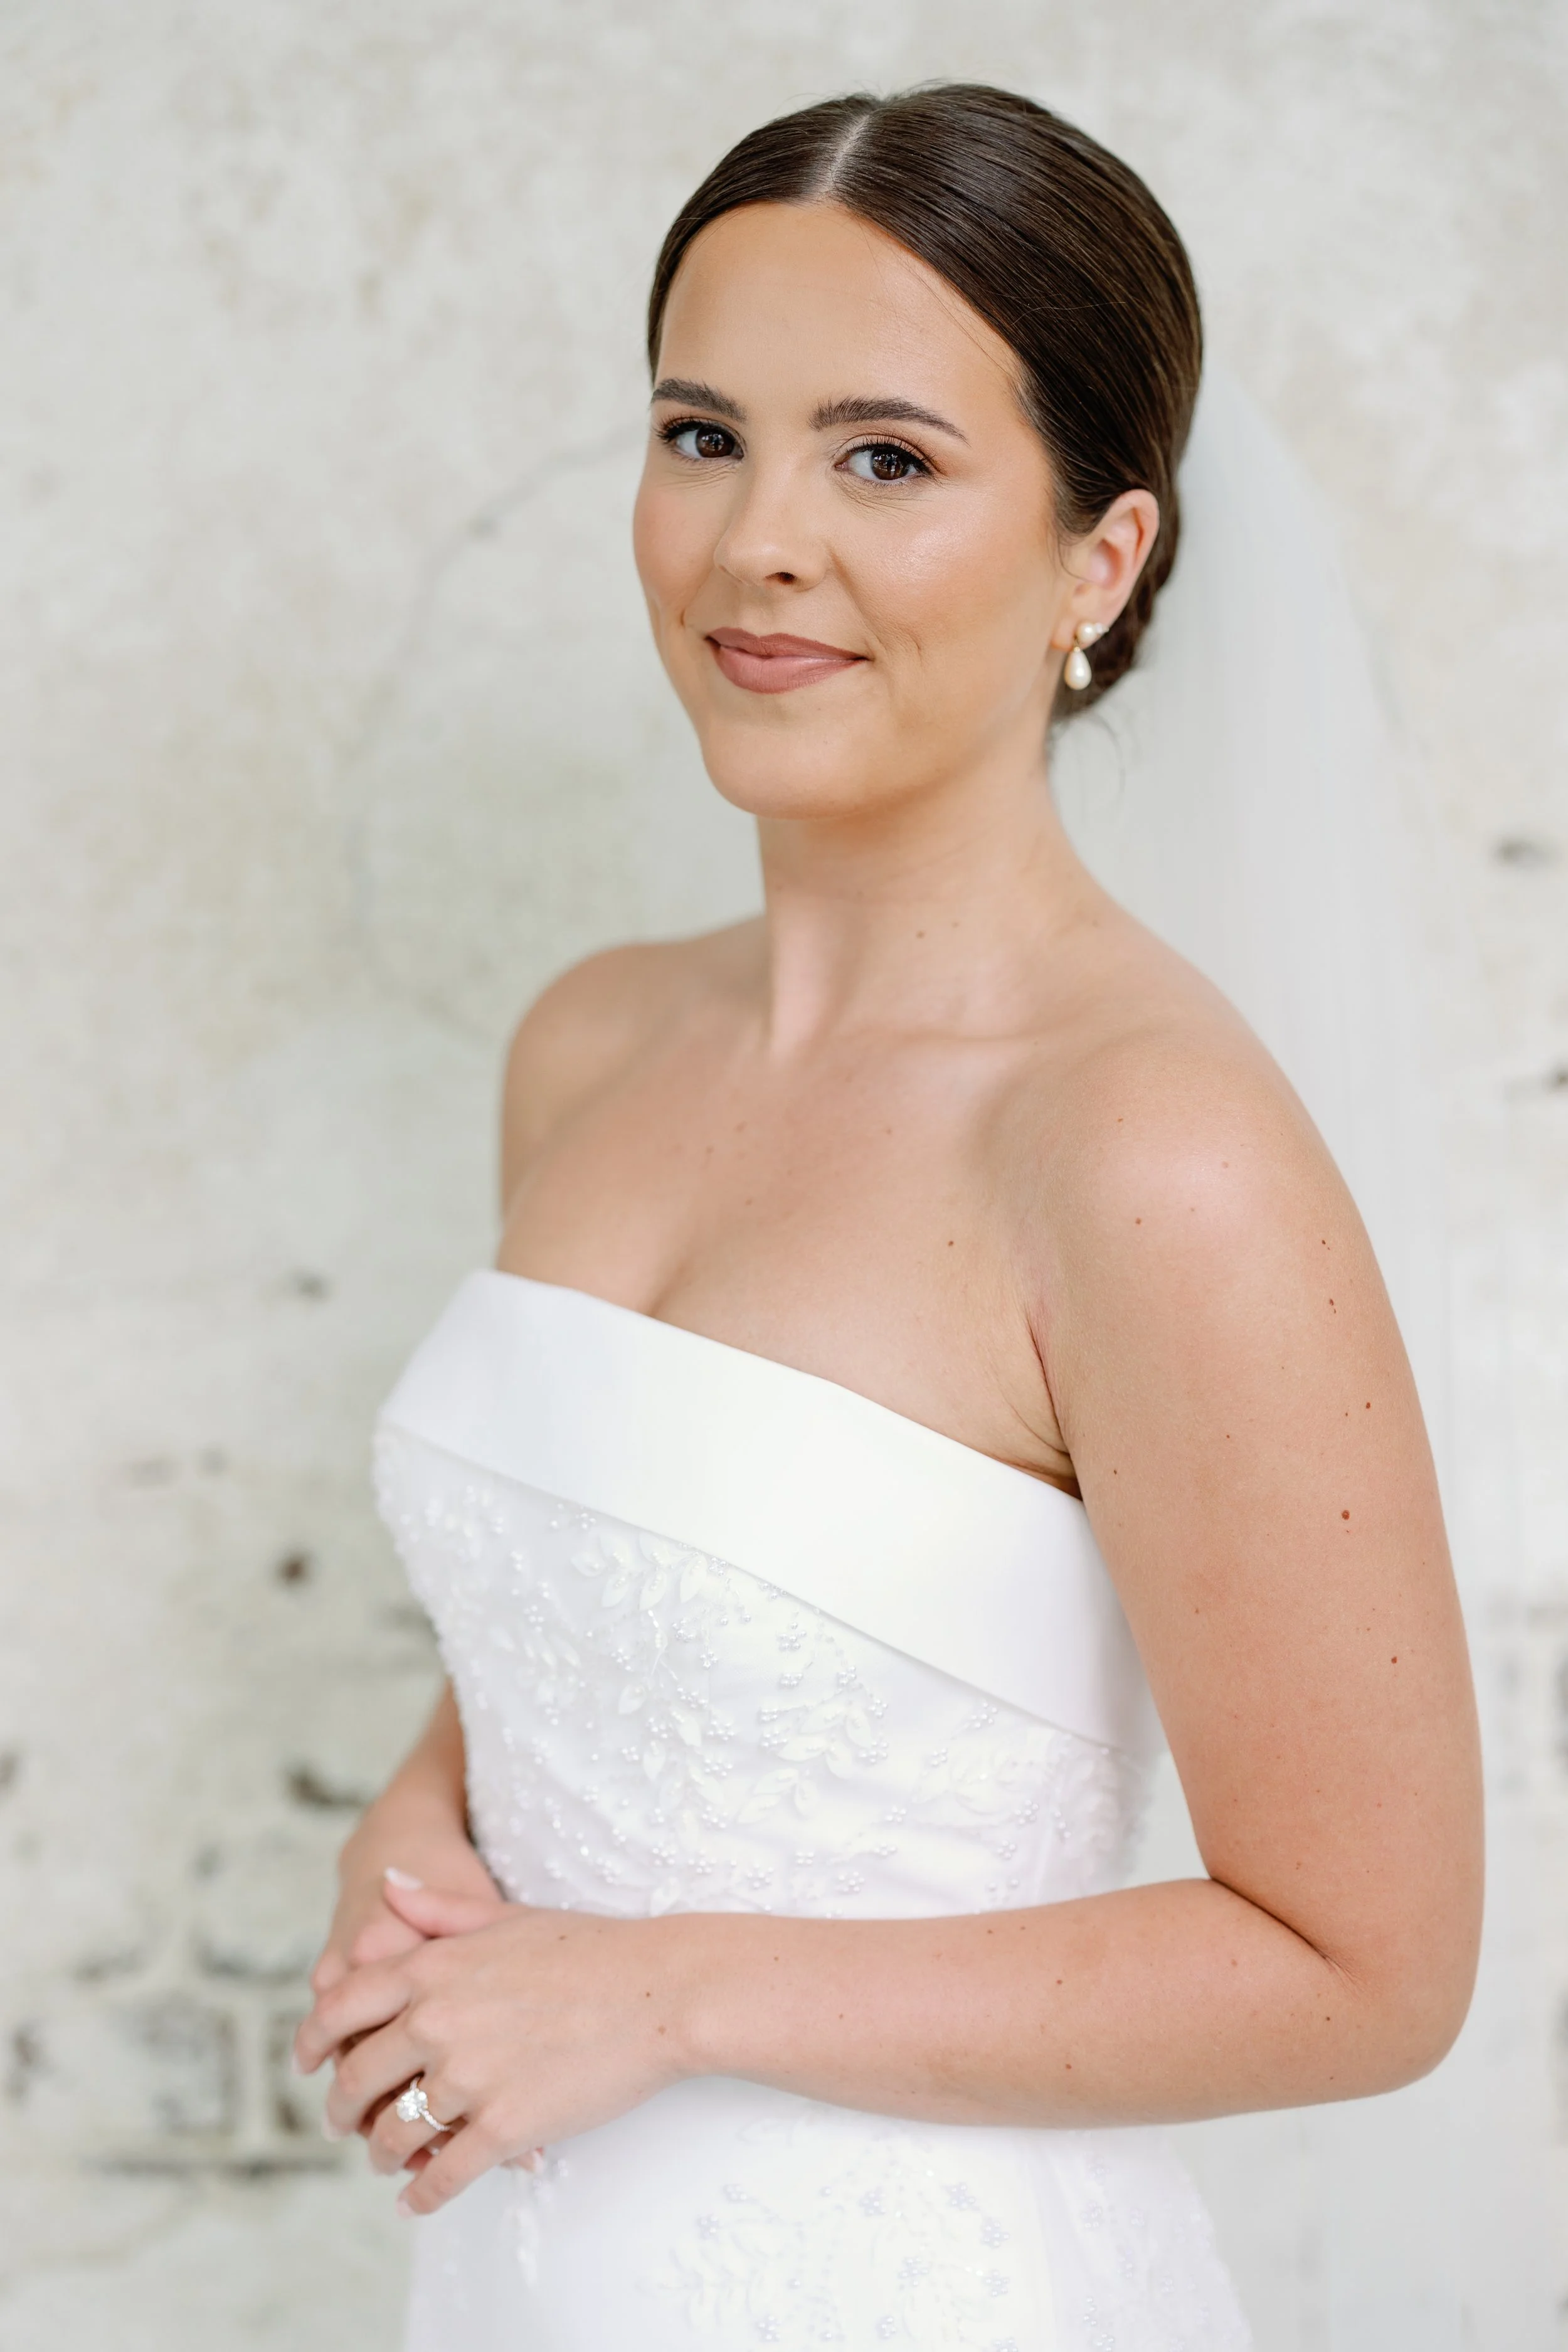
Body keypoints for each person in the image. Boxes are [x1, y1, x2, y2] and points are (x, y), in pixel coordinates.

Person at [293, 84, 1481, 2351]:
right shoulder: (588, 1044)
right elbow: (615, 1606)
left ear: (1098, 559)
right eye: (701, 436)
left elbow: (1366, 1965)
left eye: (885, 460)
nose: (756, 542)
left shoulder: (1145, 1155)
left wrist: (662, 1994)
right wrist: (416, 1814)